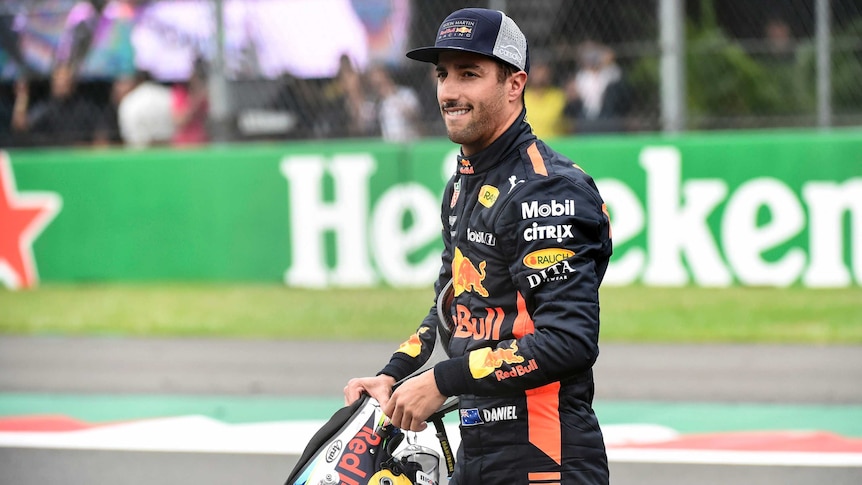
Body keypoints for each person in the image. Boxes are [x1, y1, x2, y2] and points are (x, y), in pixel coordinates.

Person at [344, 8, 613, 485]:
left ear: (515, 84)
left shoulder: (546, 191)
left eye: (469, 74)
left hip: (545, 457)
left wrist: (441, 381)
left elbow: (569, 340)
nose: (449, 91)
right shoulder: (462, 184)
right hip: (478, 449)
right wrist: (394, 374)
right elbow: (452, 304)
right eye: (443, 74)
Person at [563, 41, 630, 134]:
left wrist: (604, 60)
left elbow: (611, 59)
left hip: (607, 114)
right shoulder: (581, 76)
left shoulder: (608, 72)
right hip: (585, 114)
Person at [117, 70, 174, 148]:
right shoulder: (168, 95)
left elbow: (129, 135)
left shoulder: (129, 100)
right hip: (166, 150)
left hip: (139, 151)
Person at [367, 63, 421, 142]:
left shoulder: (406, 94)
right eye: (375, 84)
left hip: (411, 141)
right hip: (389, 145)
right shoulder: (375, 102)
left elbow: (415, 115)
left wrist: (392, 95)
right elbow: (366, 122)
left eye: (380, 82)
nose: (378, 87)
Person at [524, 56, 568, 138]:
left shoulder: (558, 96)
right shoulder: (522, 98)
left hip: (555, 146)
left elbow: (569, 126)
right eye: (536, 69)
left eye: (543, 69)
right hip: (530, 146)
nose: (540, 74)